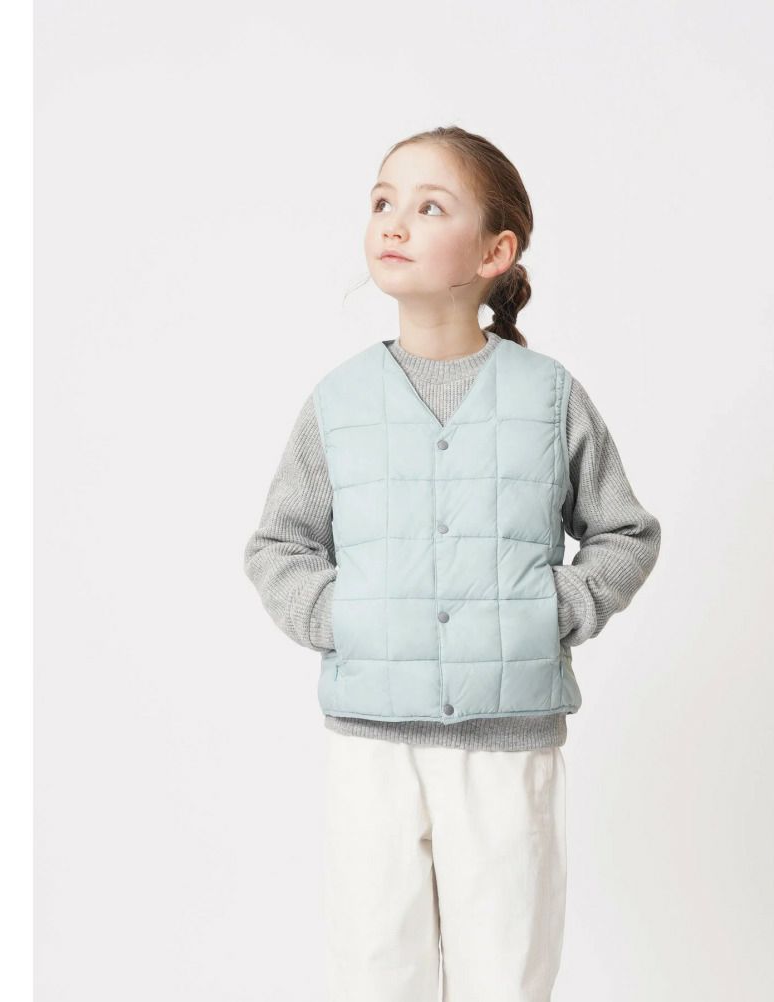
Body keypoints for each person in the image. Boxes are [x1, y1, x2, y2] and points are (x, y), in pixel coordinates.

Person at [243, 125, 661, 1002]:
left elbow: (624, 532)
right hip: (371, 744)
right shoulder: (340, 402)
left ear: (494, 252)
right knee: (373, 973)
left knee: (506, 975)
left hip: (507, 746)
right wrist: (340, 617)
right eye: (382, 201)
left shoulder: (549, 396)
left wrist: (551, 611)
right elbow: (280, 544)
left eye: (430, 206)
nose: (394, 221)